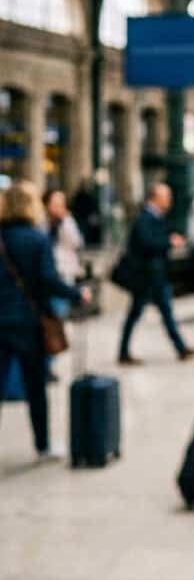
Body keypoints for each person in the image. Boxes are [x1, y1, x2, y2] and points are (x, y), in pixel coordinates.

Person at [0, 181, 90, 461]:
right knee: (36, 386)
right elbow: (49, 280)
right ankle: (42, 445)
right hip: (29, 322)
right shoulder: (37, 239)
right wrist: (77, 293)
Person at [117, 183, 194, 365]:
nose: (169, 200)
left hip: (156, 276)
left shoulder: (156, 217)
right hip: (145, 277)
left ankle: (181, 348)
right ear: (155, 197)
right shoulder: (145, 219)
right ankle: (123, 352)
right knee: (135, 314)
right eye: (166, 196)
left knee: (165, 313)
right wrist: (169, 242)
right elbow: (147, 244)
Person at [42, 189, 83, 320]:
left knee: (60, 313)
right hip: (46, 274)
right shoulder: (42, 222)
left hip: (63, 273)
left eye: (61, 204)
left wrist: (65, 222)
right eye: (55, 204)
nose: (58, 208)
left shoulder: (67, 222)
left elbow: (76, 242)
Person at [70, 179, 101, 247]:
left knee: (85, 230)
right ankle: (84, 242)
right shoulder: (80, 196)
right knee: (83, 230)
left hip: (84, 217)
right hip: (82, 217)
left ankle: (85, 242)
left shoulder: (87, 195)